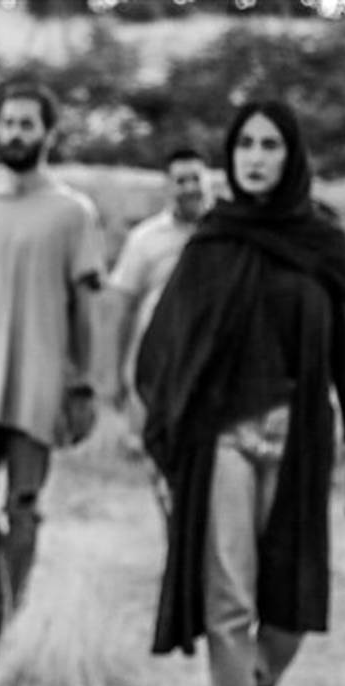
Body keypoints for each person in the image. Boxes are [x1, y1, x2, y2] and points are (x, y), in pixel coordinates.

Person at [135, 100, 345, 686]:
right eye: (246, 145)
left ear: (291, 155)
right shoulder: (214, 241)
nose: (257, 157)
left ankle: (260, 682)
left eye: (271, 145)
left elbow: (342, 348)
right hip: (225, 441)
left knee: (293, 603)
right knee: (230, 598)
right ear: (230, 156)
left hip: (300, 438)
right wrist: (168, 433)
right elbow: (166, 344)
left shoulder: (320, 239)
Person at [0, 81, 104, 664]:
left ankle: (2, 621)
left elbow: (84, 309)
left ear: (48, 134)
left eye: (26, 124)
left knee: (24, 508)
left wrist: (82, 384)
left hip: (39, 386)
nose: (13, 133)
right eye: (7, 122)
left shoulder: (73, 213)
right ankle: (3, 591)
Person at [106, 146, 211, 509]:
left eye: (196, 178)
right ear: (167, 187)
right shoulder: (145, 240)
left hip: (212, 371)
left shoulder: (225, 234)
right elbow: (124, 309)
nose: (189, 187)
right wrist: (117, 373)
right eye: (180, 180)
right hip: (159, 372)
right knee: (165, 469)